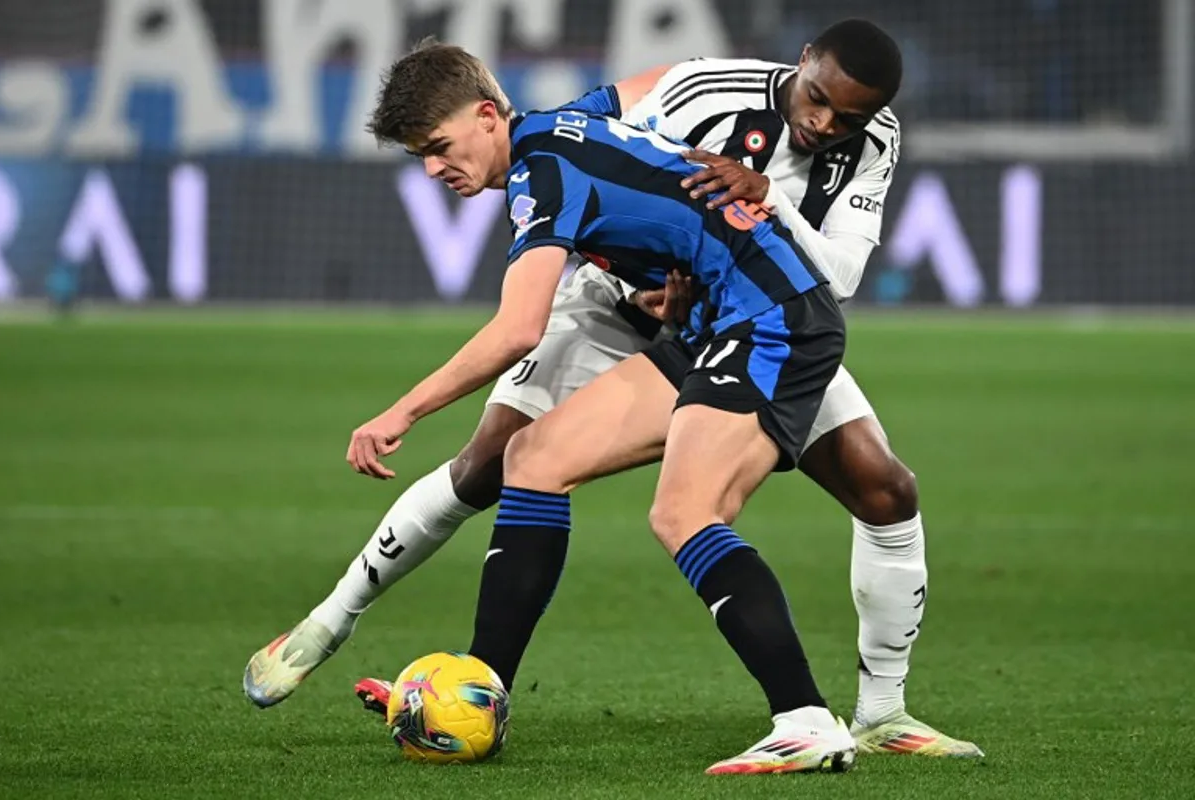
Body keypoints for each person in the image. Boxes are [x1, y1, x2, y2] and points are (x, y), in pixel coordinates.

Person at [245, 20, 981, 760]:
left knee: (701, 510)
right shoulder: (671, 97)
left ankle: (813, 721)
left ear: (488, 117)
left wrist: (399, 412)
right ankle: (460, 679)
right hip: (680, 308)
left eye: (439, 149)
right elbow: (622, 122)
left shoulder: (545, 172)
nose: (434, 170)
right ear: (800, 67)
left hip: (767, 318)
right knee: (525, 457)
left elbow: (516, 329)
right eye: (421, 156)